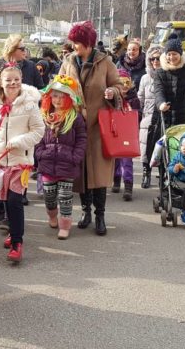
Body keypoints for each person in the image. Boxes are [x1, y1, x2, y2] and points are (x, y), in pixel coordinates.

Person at [58, 21, 123, 236]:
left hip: (98, 127)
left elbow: (119, 85)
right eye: (73, 42)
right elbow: (59, 85)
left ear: (87, 43)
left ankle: (100, 216)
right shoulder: (68, 61)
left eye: (77, 42)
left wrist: (113, 92)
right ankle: (85, 213)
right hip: (75, 125)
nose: (74, 46)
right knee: (81, 173)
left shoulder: (105, 62)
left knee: (98, 174)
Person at [0, 62, 44, 262]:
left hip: (20, 161)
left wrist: (19, 142)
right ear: (0, 82)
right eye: (8, 80)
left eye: (16, 80)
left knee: (14, 200)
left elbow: (38, 131)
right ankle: (13, 232)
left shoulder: (29, 104)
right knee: (3, 198)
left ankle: (17, 242)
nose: (13, 83)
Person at [35, 74, 87, 240]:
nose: (57, 100)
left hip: (67, 164)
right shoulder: (44, 115)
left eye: (61, 96)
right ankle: (52, 216)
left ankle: (65, 226)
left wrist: (75, 157)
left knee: (65, 198)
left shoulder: (75, 117)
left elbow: (82, 139)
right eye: (54, 95)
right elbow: (38, 138)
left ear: (69, 98)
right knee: (49, 197)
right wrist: (40, 154)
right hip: (47, 163)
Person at [154, 37, 185, 127]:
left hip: (184, 113)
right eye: (169, 54)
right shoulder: (159, 72)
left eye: (174, 54)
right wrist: (161, 103)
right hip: (165, 114)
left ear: (180, 54)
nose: (171, 57)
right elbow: (158, 90)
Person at [111, 69, 139, 201]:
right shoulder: (112, 99)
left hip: (128, 134)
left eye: (127, 82)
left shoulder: (134, 99)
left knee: (126, 160)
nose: (124, 86)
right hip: (115, 133)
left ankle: (128, 185)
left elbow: (138, 115)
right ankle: (116, 180)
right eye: (121, 83)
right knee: (115, 159)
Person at [138, 47, 161, 189]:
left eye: (158, 58)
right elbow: (140, 97)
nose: (155, 61)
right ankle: (146, 173)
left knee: (162, 147)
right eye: (152, 58)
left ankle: (163, 174)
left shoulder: (168, 75)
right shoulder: (145, 78)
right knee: (146, 146)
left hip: (163, 116)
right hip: (148, 117)